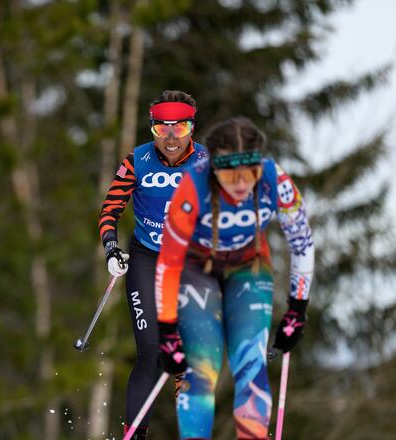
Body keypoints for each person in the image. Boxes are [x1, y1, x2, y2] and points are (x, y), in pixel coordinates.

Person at [154, 117, 314, 439]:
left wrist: (297, 308)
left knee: (251, 368)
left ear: (260, 165)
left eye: (249, 173)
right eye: (230, 174)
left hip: (249, 267)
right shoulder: (192, 186)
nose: (241, 184)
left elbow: (302, 242)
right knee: (199, 371)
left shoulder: (274, 179)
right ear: (214, 167)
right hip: (196, 269)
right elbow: (168, 264)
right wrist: (167, 329)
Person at [99, 90, 207, 439]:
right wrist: (111, 248)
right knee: (151, 351)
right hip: (146, 259)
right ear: (152, 129)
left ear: (192, 128)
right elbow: (110, 210)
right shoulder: (138, 161)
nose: (172, 139)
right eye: (163, 130)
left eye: (181, 128)